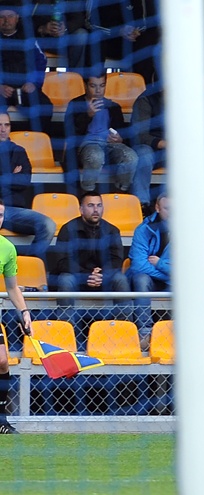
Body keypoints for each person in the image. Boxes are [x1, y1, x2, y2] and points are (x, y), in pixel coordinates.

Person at [50, 191, 131, 323]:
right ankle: (66, 329)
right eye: (91, 205)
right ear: (81, 209)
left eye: (99, 205)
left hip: (103, 278)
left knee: (120, 279)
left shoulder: (112, 230)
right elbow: (62, 262)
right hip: (76, 278)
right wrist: (86, 275)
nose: (95, 210)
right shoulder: (68, 229)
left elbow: (116, 260)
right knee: (65, 280)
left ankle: (125, 328)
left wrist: (102, 275)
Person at [63, 72, 138, 193]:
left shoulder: (113, 106)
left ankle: (122, 193)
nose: (98, 90)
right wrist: (88, 115)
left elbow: (122, 132)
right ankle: (87, 193)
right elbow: (69, 132)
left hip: (110, 145)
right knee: (96, 156)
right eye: (93, 86)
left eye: (102, 85)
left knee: (131, 157)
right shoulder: (76, 104)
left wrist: (120, 138)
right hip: (86, 145)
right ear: (85, 85)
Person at [0, 111, 55, 261]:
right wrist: (12, 176)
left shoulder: (19, 151)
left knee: (48, 225)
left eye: (7, 125)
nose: (3, 129)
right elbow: (17, 180)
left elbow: (24, 181)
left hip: (13, 210)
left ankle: (29, 265)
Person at [0, 202, 32, 434]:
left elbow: (12, 288)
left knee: (2, 361)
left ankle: (1, 420)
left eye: (0, 215)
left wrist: (24, 312)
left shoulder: (7, 248)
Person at [0, 3, 52, 131]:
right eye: (2, 17)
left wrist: (33, 83)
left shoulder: (28, 38)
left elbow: (41, 61)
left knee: (45, 108)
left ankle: (32, 142)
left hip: (26, 89)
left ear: (17, 18)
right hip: (2, 91)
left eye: (10, 16)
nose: (6, 20)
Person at [127, 193, 169, 350]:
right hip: (150, 280)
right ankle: (145, 333)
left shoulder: (186, 231)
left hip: (172, 281)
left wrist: (160, 264)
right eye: (167, 208)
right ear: (157, 208)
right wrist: (169, 273)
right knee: (141, 278)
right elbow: (138, 265)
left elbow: (187, 268)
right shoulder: (143, 230)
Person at [131, 82, 165, 208]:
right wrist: (164, 143)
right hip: (150, 147)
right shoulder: (146, 99)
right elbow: (140, 135)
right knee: (143, 156)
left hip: (174, 150)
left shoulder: (184, 99)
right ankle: (141, 205)